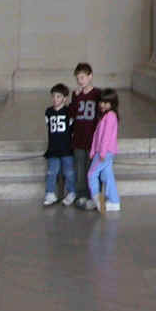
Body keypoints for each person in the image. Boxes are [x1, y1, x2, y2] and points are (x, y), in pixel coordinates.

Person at [69, 62, 101, 209]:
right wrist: (75, 99)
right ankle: (81, 195)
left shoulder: (97, 94)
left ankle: (93, 195)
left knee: (92, 169)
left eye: (82, 77)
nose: (80, 81)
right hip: (78, 138)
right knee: (79, 168)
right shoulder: (76, 95)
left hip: (92, 139)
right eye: (78, 78)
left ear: (90, 76)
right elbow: (71, 114)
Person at [42, 83, 76, 206]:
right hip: (53, 148)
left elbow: (72, 128)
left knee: (69, 172)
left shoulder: (68, 112)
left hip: (66, 148)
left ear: (64, 98)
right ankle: (50, 193)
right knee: (52, 171)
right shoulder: (48, 112)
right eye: (53, 96)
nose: (55, 99)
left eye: (58, 96)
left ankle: (71, 192)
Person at [87, 89, 121, 212]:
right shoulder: (106, 116)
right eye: (101, 102)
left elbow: (106, 136)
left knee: (92, 174)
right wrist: (93, 150)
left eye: (106, 103)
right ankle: (114, 201)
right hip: (105, 151)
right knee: (107, 176)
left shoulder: (110, 116)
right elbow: (97, 136)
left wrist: (101, 152)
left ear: (113, 104)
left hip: (105, 152)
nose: (102, 105)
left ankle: (97, 200)